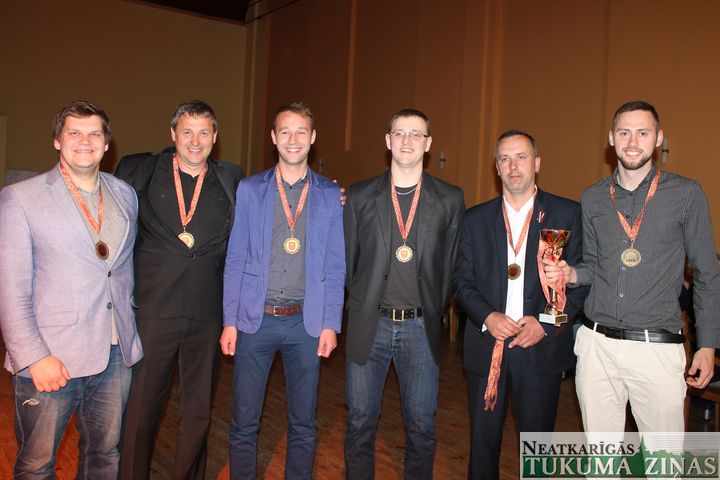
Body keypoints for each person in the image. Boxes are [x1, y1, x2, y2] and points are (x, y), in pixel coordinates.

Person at [544, 100, 720, 432]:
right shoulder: (593, 197)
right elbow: (593, 266)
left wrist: (707, 344)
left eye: (643, 132)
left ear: (659, 138)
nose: (633, 141)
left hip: (656, 349)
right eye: (624, 133)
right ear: (611, 138)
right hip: (597, 348)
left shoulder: (686, 194)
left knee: (662, 458)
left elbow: (708, 273)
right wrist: (572, 274)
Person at [0, 100, 142, 478]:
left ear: (107, 143)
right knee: (36, 466)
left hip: (114, 354)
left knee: (105, 455)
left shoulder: (125, 194)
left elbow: (118, 272)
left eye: (94, 133)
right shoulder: (21, 198)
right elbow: (10, 289)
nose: (84, 141)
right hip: (52, 357)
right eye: (74, 133)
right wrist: (33, 357)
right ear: (57, 141)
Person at [115, 100, 244, 479]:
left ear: (215, 137)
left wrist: (331, 197)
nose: (195, 141)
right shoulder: (139, 170)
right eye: (187, 131)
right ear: (173, 134)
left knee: (198, 412)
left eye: (204, 132)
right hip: (153, 309)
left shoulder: (232, 179)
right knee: (140, 410)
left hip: (207, 312)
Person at [220, 102, 345, 479]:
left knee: (303, 423)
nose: (293, 139)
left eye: (301, 131)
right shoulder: (249, 189)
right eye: (285, 131)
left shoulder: (329, 193)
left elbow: (335, 264)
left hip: (306, 324)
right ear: (273, 137)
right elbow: (235, 257)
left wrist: (331, 324)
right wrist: (229, 321)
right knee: (244, 421)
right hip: (254, 321)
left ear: (313, 137)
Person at [453, 130, 587, 479]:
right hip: (488, 345)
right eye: (505, 158)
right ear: (496, 167)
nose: (513, 166)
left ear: (537, 163)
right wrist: (487, 316)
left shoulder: (567, 214)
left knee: (537, 453)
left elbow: (582, 284)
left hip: (540, 347)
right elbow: (461, 281)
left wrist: (546, 324)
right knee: (482, 449)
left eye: (521, 157)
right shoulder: (474, 219)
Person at [343, 108, 465, 479]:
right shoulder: (360, 195)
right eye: (400, 133)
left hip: (420, 328)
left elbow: (451, 266)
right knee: (360, 423)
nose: (407, 141)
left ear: (428, 144)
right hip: (370, 324)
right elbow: (349, 262)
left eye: (416, 134)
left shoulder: (450, 199)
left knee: (422, 426)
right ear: (388, 141)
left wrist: (431, 309)